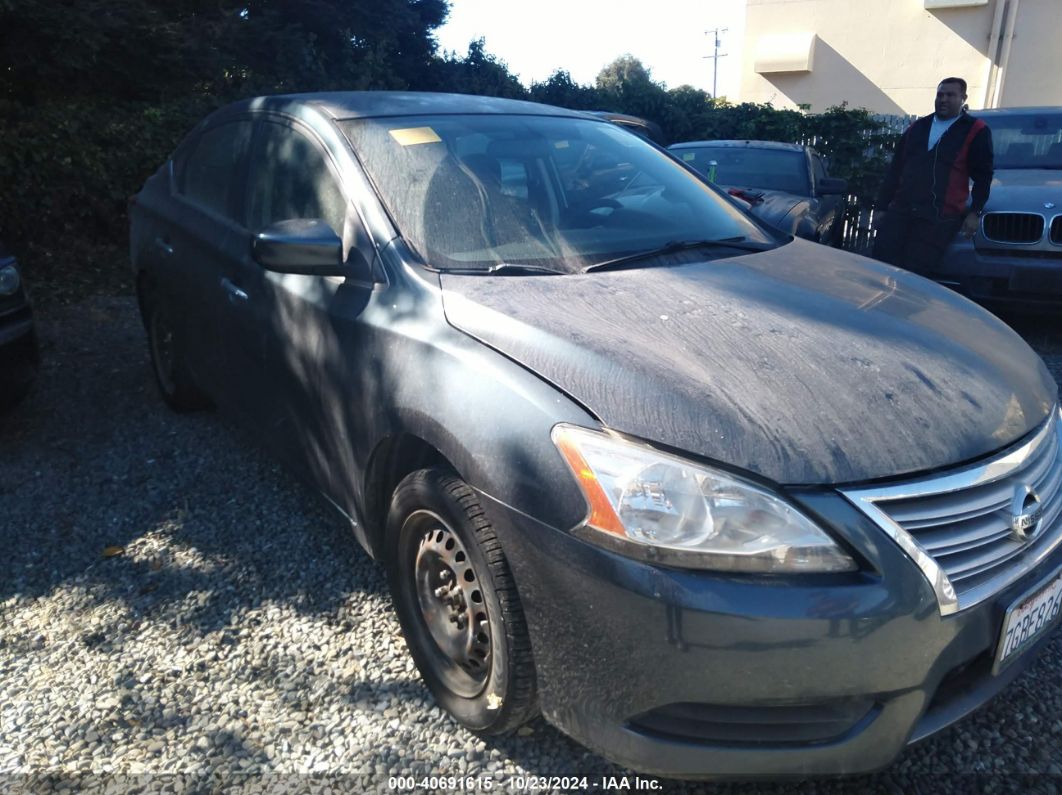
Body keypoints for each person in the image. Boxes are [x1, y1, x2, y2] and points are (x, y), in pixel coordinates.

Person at [872, 77, 993, 275]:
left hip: (939, 217)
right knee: (881, 264)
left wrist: (975, 212)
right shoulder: (918, 128)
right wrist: (881, 207)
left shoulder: (975, 130)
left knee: (917, 272)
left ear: (963, 98)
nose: (944, 99)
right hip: (902, 210)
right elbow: (895, 170)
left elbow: (983, 176)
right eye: (940, 94)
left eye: (950, 95)